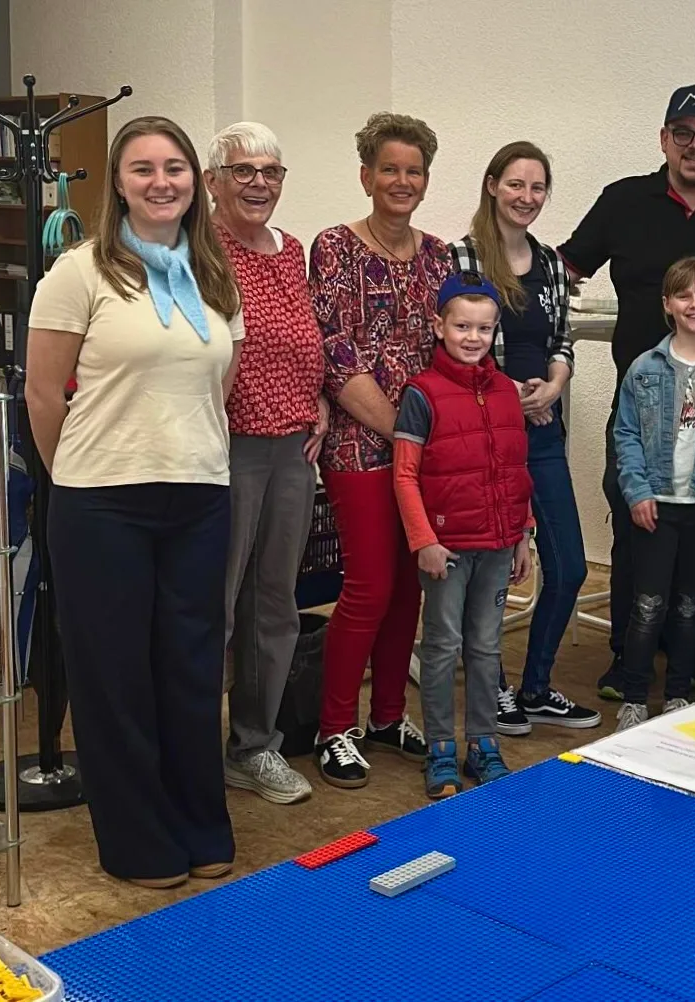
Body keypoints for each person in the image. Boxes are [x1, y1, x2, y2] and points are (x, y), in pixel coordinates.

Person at [25, 115, 243, 888]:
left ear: (195, 182)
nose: (161, 182)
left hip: (198, 495)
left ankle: (199, 826)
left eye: (174, 167)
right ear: (118, 183)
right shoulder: (80, 271)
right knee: (114, 678)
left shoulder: (214, 276)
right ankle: (138, 842)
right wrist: (76, 475)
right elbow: (43, 394)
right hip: (100, 502)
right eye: (143, 168)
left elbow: (217, 384)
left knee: (190, 670)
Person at [557, 84, 695, 700]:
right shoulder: (623, 200)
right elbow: (563, 270)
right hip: (640, 402)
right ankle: (627, 658)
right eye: (683, 133)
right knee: (636, 519)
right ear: (664, 139)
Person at [308, 112, 454, 789]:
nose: (402, 180)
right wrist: (402, 431)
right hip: (359, 445)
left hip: (422, 448)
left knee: (409, 590)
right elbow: (336, 353)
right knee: (369, 586)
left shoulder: (440, 256)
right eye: (389, 169)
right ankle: (334, 726)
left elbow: (449, 346)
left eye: (413, 170)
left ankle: (389, 716)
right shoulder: (334, 248)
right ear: (366, 176)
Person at [449, 141, 599, 735]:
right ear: (492, 185)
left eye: (537, 187)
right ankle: (493, 689)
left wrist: (555, 383)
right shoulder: (462, 258)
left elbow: (562, 339)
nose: (526, 197)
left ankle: (536, 686)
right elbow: (453, 345)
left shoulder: (552, 265)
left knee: (569, 567)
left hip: (541, 431)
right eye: (515, 184)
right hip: (483, 437)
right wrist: (508, 391)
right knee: (488, 574)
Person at [205, 121, 325, 806]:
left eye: (270, 171)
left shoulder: (291, 249)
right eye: (243, 170)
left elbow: (300, 341)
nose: (259, 183)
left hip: (292, 449)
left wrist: (321, 398)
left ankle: (253, 747)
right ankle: (193, 752)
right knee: (214, 605)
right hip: (227, 446)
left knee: (275, 605)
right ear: (213, 181)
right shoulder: (200, 247)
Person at [393, 272, 534, 797]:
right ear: (439, 326)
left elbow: (517, 469)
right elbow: (404, 475)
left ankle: (483, 742)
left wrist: (523, 533)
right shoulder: (421, 394)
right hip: (446, 550)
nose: (473, 337)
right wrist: (423, 540)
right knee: (441, 645)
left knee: (486, 646)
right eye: (462, 327)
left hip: (498, 545)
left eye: (484, 328)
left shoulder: (506, 392)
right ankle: (440, 748)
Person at [612, 258, 695, 731]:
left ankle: (676, 697)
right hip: (655, 506)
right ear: (667, 304)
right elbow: (626, 434)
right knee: (648, 606)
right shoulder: (644, 368)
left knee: (692, 608)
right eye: (684, 295)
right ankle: (634, 697)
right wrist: (636, 491)